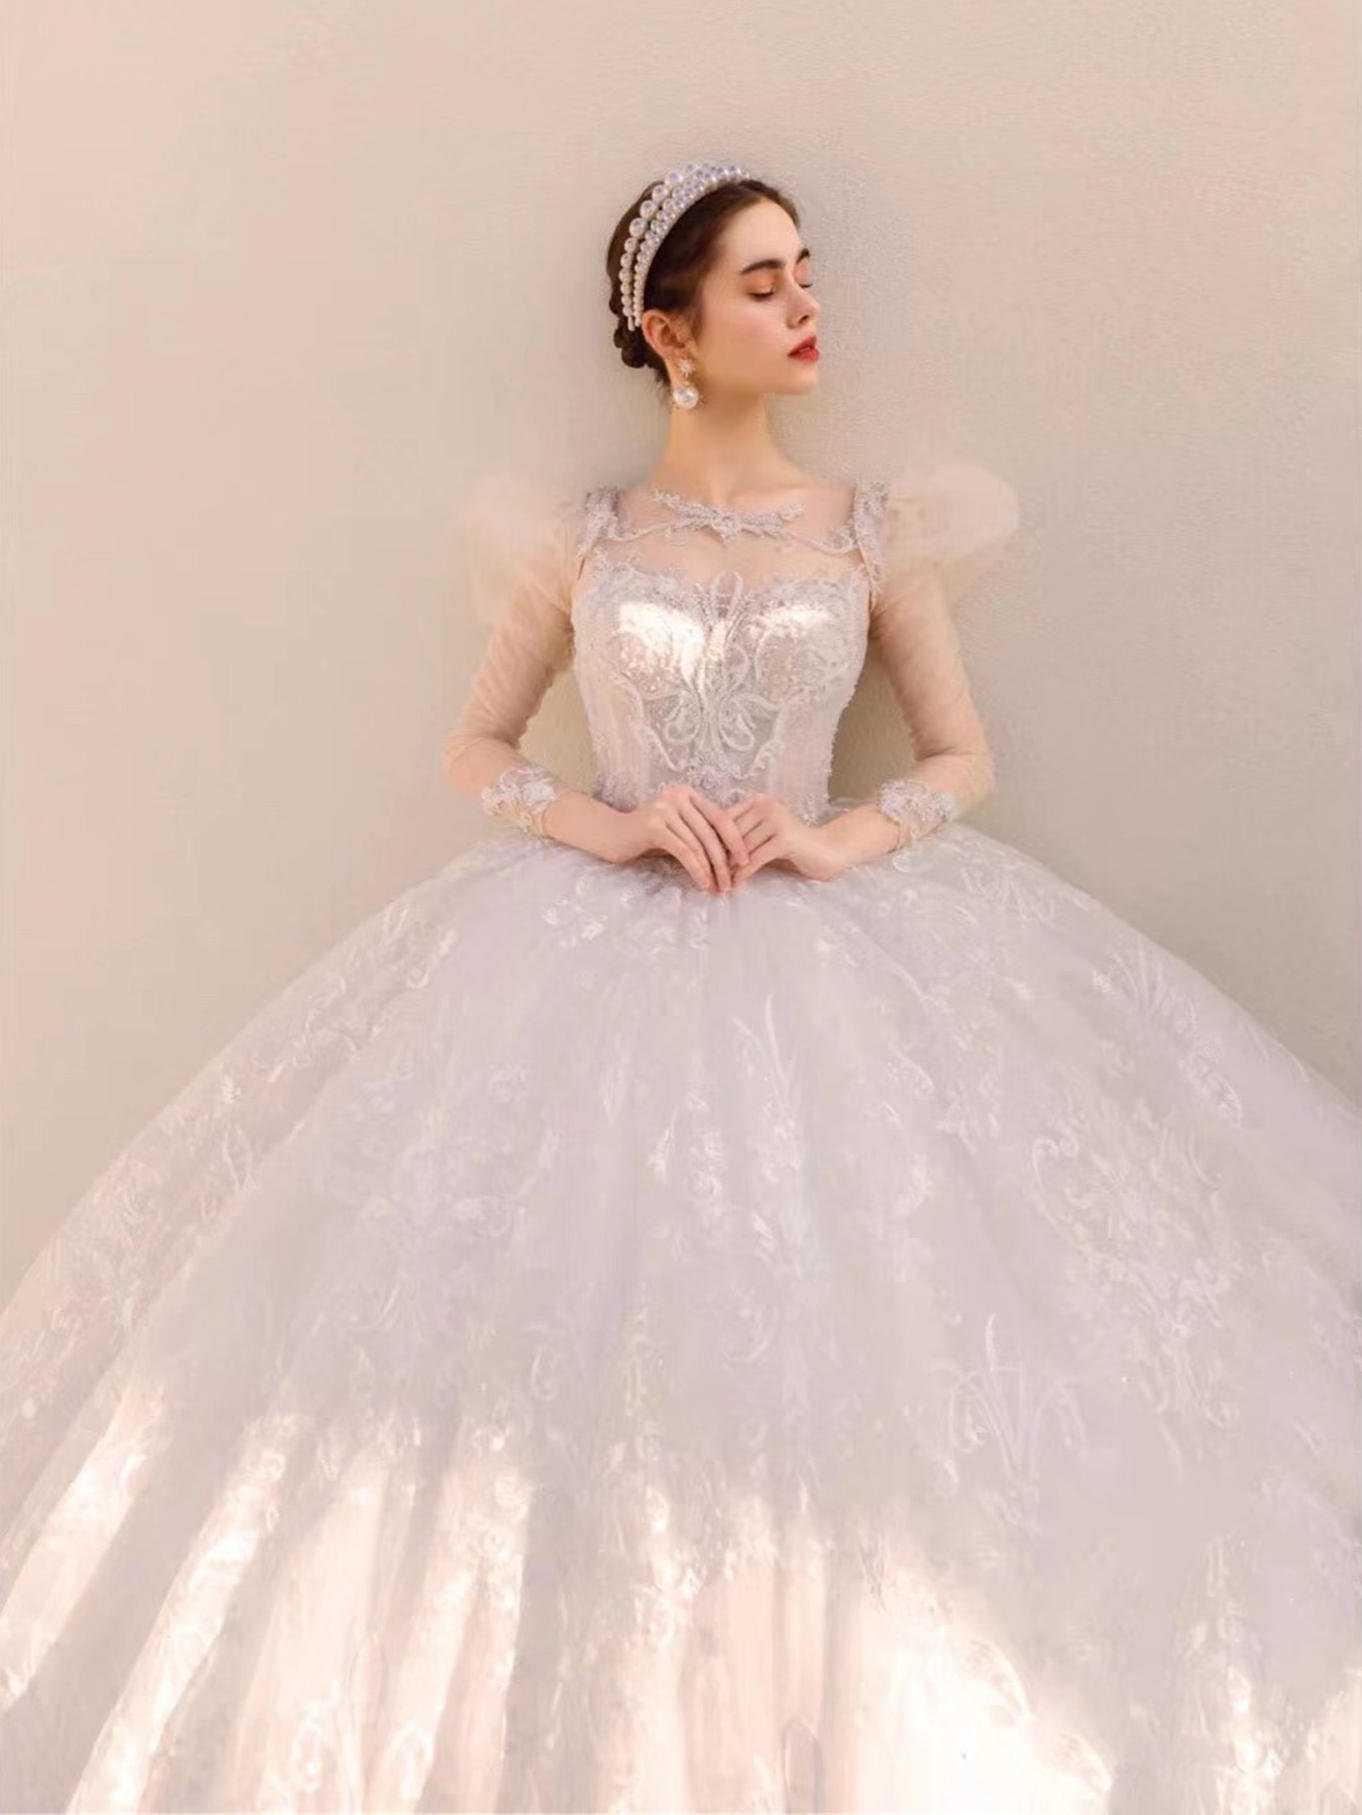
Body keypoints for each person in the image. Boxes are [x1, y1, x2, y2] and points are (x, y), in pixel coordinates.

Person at [1, 159, 1359, 1814]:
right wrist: (611, 821)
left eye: (806, 272)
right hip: (585, 929)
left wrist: (834, 839)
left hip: (832, 935)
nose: (805, 307)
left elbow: (960, 756)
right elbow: (474, 746)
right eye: (762, 284)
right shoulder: (582, 539)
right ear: (670, 331)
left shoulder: (868, 531)